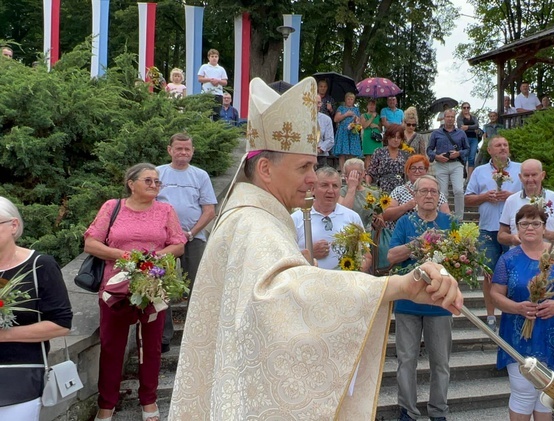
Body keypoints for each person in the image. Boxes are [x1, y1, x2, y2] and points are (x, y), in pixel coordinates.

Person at [169, 77, 462, 420]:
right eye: (304, 167)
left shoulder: (251, 213)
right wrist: (395, 285)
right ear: (265, 168)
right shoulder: (253, 223)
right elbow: (281, 296)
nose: (313, 177)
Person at [85, 163, 186, 421]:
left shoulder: (165, 210)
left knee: (151, 347)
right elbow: (91, 243)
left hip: (153, 287)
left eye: (157, 181)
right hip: (115, 289)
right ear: (131, 183)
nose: (154, 185)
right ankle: (106, 404)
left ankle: (149, 401)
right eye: (148, 181)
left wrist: (150, 259)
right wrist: (127, 257)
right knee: (111, 347)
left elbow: (178, 245)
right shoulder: (112, 207)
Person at [491, 204, 554, 421]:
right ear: (517, 229)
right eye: (524, 223)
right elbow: (496, 294)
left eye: (535, 223)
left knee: (547, 391)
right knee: (523, 391)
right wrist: (518, 307)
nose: (529, 227)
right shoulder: (508, 259)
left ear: (544, 227)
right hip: (518, 333)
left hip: (553, 332)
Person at [387, 175, 455, 421]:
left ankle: (438, 411)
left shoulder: (450, 223)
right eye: (424, 191)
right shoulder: (405, 223)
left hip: (440, 302)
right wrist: (417, 244)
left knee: (440, 363)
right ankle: (408, 411)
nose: (428, 195)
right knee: (406, 360)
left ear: (439, 197)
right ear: (414, 196)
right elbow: (391, 256)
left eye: (433, 192)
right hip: (408, 302)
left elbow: (464, 259)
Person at [0, 197, 72, 420]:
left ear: (13, 225)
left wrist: (4, 335)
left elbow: (61, 324)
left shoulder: (40, 265)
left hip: (19, 373)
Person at [156, 133, 217, 352]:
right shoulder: (157, 173)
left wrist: (190, 233)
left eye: (187, 149)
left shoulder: (200, 176)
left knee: (197, 285)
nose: (183, 153)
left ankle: (195, 334)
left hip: (194, 238)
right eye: (179, 148)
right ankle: (163, 337)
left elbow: (209, 211)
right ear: (169, 150)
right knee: (162, 286)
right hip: (164, 241)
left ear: (192, 151)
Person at [465, 136, 523, 333]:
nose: (503, 148)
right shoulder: (480, 172)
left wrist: (513, 197)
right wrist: (484, 197)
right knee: (489, 274)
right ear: (489, 150)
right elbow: (467, 199)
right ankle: (490, 317)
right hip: (488, 228)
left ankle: (513, 313)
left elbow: (533, 195)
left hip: (514, 230)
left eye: (506, 144)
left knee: (515, 274)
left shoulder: (521, 169)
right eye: (498, 145)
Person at [291, 167, 370, 271]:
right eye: (324, 185)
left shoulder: (352, 217)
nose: (330, 190)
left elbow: (367, 256)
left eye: (335, 186)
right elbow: (286, 259)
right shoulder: (296, 219)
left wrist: (353, 275)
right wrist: (310, 254)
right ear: (312, 189)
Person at [498, 159, 554, 246]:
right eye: (526, 175)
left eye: (534, 175)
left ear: (542, 175)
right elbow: (501, 236)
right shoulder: (511, 200)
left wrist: (543, 232)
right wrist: (512, 238)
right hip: (519, 255)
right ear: (520, 177)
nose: (530, 179)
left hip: (548, 256)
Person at [385, 155, 451, 225]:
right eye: (413, 168)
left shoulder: (435, 191)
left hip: (432, 233)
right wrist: (405, 206)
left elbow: (448, 218)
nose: (417, 171)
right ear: (408, 171)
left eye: (420, 168)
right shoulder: (399, 191)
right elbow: (386, 215)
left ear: (426, 171)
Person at [427, 109, 469, 220]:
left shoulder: (461, 133)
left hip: (456, 163)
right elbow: (429, 149)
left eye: (452, 117)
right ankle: (443, 217)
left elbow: (468, 149)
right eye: (448, 117)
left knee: (459, 190)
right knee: (442, 192)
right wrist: (436, 156)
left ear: (454, 118)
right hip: (441, 164)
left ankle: (459, 218)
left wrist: (458, 153)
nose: (450, 119)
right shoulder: (436, 133)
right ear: (444, 118)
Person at [339, 158, 384, 232]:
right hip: (348, 233)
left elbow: (380, 219)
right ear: (346, 175)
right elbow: (343, 214)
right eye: (351, 174)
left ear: (364, 173)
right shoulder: (342, 192)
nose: (355, 177)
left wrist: (377, 221)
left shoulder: (374, 193)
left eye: (358, 173)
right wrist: (352, 188)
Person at [367, 124, 410, 194]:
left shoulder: (405, 154)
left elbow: (409, 175)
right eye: (393, 137)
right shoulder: (379, 152)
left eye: (398, 138)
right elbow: (371, 172)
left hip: (401, 189)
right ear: (388, 137)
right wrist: (368, 186)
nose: (396, 140)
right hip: (382, 189)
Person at [333, 92, 362, 170]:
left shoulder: (356, 109)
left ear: (354, 100)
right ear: (345, 99)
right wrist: (346, 114)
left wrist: (357, 121)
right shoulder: (341, 108)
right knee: (342, 152)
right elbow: (336, 119)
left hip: (353, 132)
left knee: (352, 153)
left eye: (351, 99)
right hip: (343, 132)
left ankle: (350, 171)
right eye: (348, 99)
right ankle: (342, 172)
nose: (349, 101)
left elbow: (359, 121)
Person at [457, 102, 480, 180]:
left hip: (474, 138)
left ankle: (470, 178)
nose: (466, 109)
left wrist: (467, 127)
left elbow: (477, 125)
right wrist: (472, 128)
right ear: (462, 108)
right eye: (464, 107)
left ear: (470, 108)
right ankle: (464, 175)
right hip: (464, 139)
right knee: (464, 157)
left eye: (468, 107)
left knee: (472, 158)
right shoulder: (460, 117)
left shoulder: (473, 117)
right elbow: (460, 126)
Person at [361, 99, 382, 169]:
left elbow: (381, 128)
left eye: (373, 105)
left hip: (377, 138)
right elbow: (364, 126)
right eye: (370, 105)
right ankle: (367, 172)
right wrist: (372, 117)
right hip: (368, 137)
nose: (371, 106)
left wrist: (376, 126)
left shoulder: (378, 116)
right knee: (368, 156)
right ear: (367, 106)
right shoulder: (363, 115)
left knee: (377, 156)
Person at [316, 96, 335, 168]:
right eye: (314, 103)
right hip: (304, 155)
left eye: (319, 103)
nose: (317, 105)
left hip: (320, 156)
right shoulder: (302, 118)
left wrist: (320, 149)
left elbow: (330, 139)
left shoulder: (326, 119)